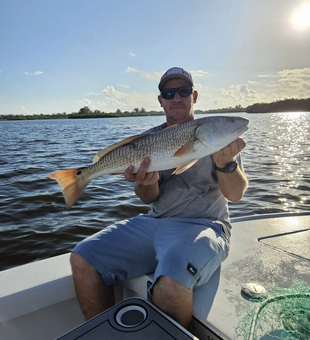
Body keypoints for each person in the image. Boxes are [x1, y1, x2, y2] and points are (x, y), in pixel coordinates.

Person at [70, 67, 248, 329]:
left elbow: (236, 195)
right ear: (161, 100)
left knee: (169, 288)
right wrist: (146, 184)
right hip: (156, 222)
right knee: (83, 258)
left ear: (194, 96)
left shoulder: (220, 141)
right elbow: (147, 198)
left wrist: (226, 165)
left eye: (183, 91)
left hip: (207, 226)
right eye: (169, 93)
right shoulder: (150, 139)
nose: (176, 97)